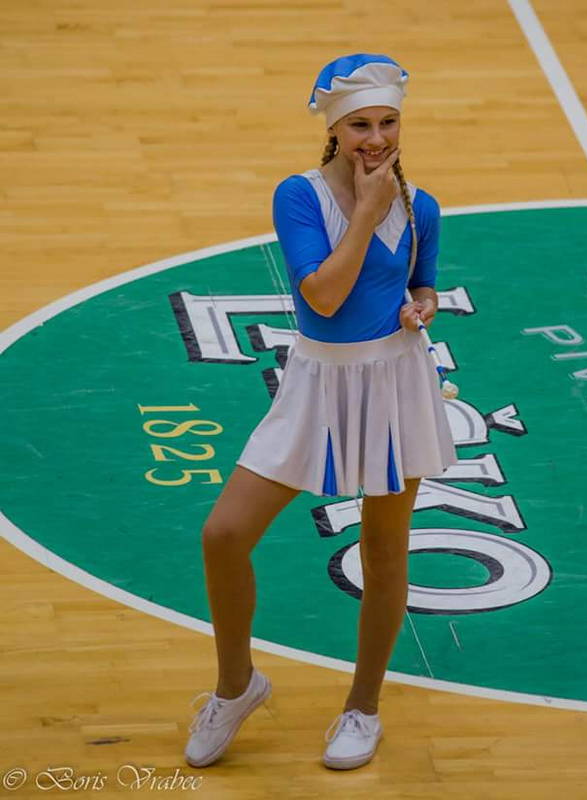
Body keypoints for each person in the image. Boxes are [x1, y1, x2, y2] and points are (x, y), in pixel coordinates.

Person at [184, 53, 458, 772]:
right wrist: (366, 211)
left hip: (396, 383)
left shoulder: (422, 207)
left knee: (385, 553)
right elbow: (325, 298)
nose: (377, 139)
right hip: (317, 381)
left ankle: (363, 707)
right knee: (224, 534)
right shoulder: (299, 197)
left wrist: (422, 305)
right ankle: (236, 687)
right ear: (334, 129)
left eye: (388, 122)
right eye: (360, 125)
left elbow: (423, 284)